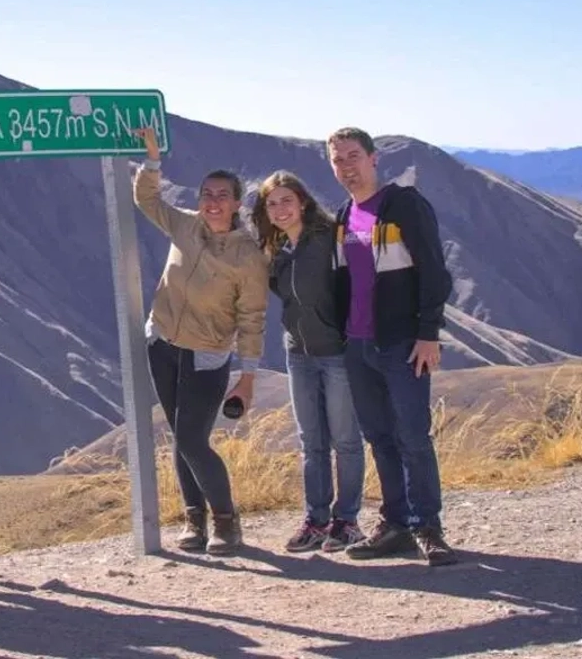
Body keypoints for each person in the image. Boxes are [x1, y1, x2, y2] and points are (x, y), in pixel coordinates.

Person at [131, 127, 268, 556]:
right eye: (207, 194)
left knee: (193, 440)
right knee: (180, 435)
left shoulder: (247, 256)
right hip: (162, 343)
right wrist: (152, 161)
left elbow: (252, 319)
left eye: (222, 195)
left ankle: (226, 521)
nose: (213, 201)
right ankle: (195, 519)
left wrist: (247, 377)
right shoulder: (186, 226)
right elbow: (147, 199)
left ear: (237, 203)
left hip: (207, 355)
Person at [326, 126, 458, 566]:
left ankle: (428, 527)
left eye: (353, 156)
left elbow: (435, 271)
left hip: (401, 342)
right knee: (380, 437)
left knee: (413, 436)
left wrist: (428, 333)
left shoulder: (403, 205)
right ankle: (396, 524)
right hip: (358, 344)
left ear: (373, 158)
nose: (347, 166)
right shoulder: (344, 215)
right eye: (338, 159)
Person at [255, 170, 366, 553]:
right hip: (298, 355)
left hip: (336, 353)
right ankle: (316, 521)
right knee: (311, 442)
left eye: (286, 200)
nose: (280, 209)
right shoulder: (276, 250)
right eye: (272, 204)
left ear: (302, 202)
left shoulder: (330, 238)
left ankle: (347, 522)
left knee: (346, 440)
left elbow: (356, 285)